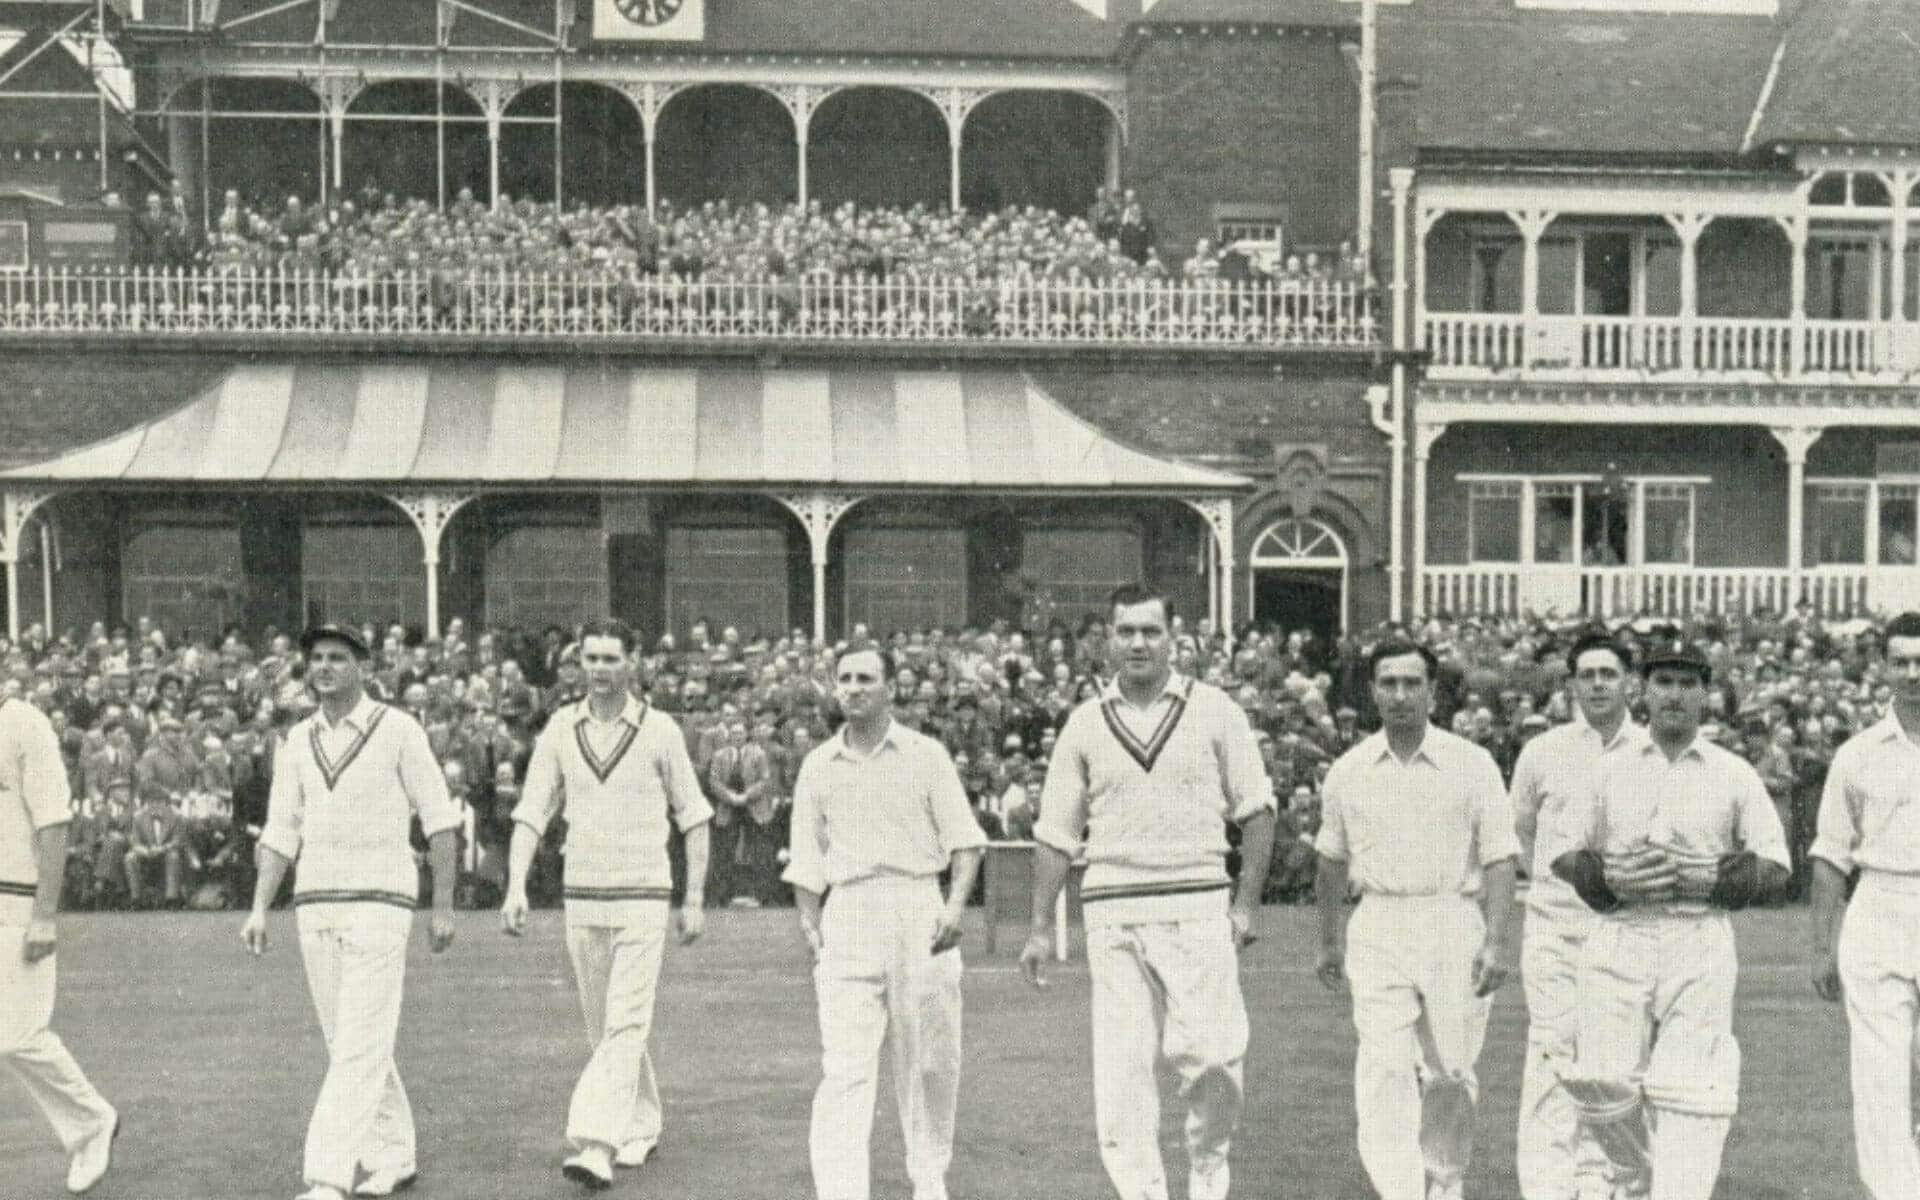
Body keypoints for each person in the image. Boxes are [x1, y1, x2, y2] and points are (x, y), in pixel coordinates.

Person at [1021, 585, 1276, 1200]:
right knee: (1124, 1076)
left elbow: (1258, 811)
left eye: (1151, 631)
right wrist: (1036, 927)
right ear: (1107, 639)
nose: (1138, 643)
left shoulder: (1216, 711)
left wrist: (1243, 907)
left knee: (1215, 1061)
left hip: (1198, 905)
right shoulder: (1084, 723)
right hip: (1114, 910)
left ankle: (1208, 1171)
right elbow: (1056, 833)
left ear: (1174, 637)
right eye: (1127, 631)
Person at [1548, 639, 1789, 1200]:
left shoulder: (1732, 773)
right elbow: (1562, 851)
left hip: (1697, 934)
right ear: (1644, 691)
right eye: (1664, 683)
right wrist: (1609, 878)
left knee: (1692, 1092)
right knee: (1601, 1080)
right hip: (1621, 932)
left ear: (1705, 694)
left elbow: (1777, 864)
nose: (1675, 696)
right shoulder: (1609, 768)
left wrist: (1717, 878)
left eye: (1687, 684)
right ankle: (1633, 1174)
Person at [242, 625, 464, 1200]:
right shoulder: (296, 740)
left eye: (337, 658)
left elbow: (440, 819)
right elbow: (282, 828)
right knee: (350, 1043)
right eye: (315, 658)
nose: (324, 667)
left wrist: (443, 905)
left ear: (362, 667)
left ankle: (327, 1176)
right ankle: (394, 1155)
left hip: (382, 903)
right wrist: (260, 907)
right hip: (314, 902)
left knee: (361, 1041)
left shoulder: (398, 730)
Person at [501, 618, 713, 1191]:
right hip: (582, 894)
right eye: (590, 658)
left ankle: (595, 1143)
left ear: (632, 663)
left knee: (625, 1021)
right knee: (605, 1027)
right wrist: (516, 884)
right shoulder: (558, 729)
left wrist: (693, 897)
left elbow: (694, 817)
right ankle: (641, 1122)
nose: (599, 669)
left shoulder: (661, 730)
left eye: (611, 658)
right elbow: (532, 811)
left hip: (644, 893)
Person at [1315, 637, 1517, 1200]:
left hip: (1453, 920)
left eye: (1412, 683)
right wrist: (1329, 942)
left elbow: (1501, 856)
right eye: (1389, 683)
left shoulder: (1472, 764)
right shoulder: (1349, 770)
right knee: (1382, 1066)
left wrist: (1496, 941)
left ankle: (1444, 1182)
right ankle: (1400, 1191)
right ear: (1373, 691)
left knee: (1451, 1070)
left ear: (1432, 691)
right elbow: (1330, 861)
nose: (1400, 695)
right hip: (1378, 923)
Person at [783, 645, 987, 1200]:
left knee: (928, 1059)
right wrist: (810, 924)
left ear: (889, 687)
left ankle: (929, 1176)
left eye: (866, 678)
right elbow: (806, 859)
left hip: (918, 909)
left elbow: (965, 844)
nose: (853, 687)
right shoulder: (818, 765)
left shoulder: (926, 755)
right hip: (847, 913)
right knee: (845, 1066)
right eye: (844, 678)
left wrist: (953, 907)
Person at [1508, 632, 1645, 1200]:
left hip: (1625, 930)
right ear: (1570, 685)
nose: (1596, 684)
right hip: (1555, 926)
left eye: (1607, 674)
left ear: (1629, 682)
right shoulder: (1543, 752)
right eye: (1586, 674)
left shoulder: (1651, 751)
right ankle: (1547, 1186)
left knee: (1614, 1059)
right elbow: (1521, 833)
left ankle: (1603, 1177)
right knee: (1552, 1053)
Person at [1810, 610, 1920, 1198]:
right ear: (1882, 667)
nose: (1912, 672)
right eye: (1901, 661)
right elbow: (1831, 855)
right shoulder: (1857, 753)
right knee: (1879, 1072)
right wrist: (1823, 946)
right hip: (1879, 904)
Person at [1, 692, 119, 1194]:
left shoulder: (23, 722)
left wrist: (44, 916)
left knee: (17, 1035)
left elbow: (54, 824)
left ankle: (91, 1123)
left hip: (16, 902)